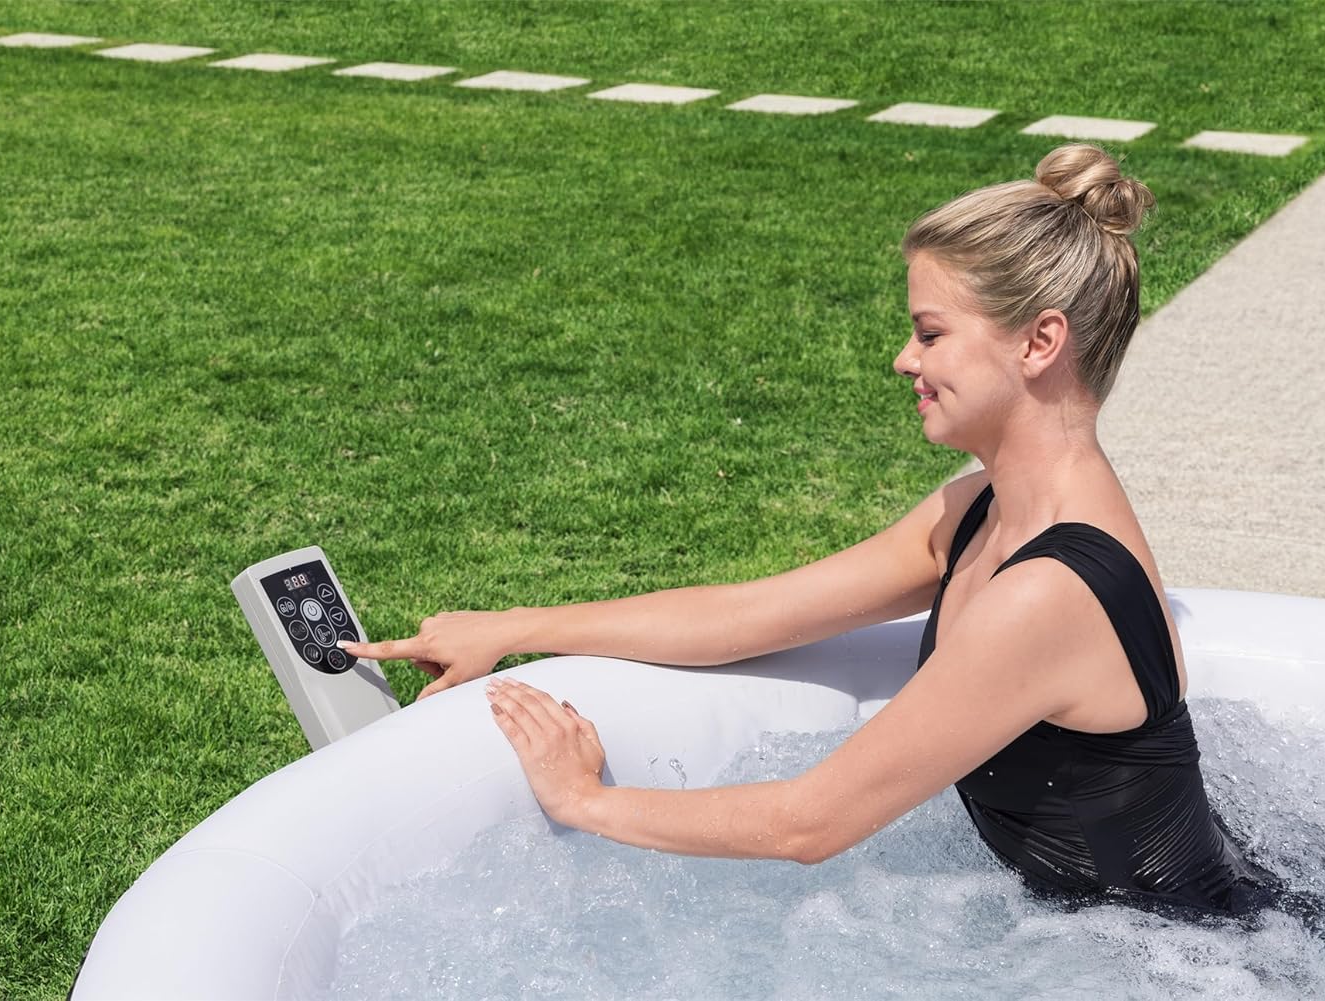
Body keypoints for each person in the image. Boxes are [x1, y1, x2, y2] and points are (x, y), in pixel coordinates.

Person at [342, 143, 1275, 917]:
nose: (903, 358)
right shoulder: (980, 513)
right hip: (1121, 933)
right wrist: (513, 627)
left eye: (931, 333)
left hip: (1190, 962)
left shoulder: (1050, 591)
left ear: (1039, 342)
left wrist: (585, 800)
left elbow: (808, 823)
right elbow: (747, 615)